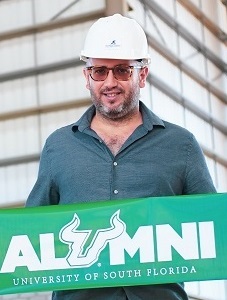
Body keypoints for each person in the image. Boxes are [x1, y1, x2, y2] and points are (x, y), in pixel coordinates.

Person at [26, 14, 216, 300]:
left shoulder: (181, 146)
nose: (110, 82)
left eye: (123, 70)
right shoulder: (59, 147)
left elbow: (211, 227)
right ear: (86, 76)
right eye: (99, 71)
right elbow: (31, 233)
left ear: (142, 74)